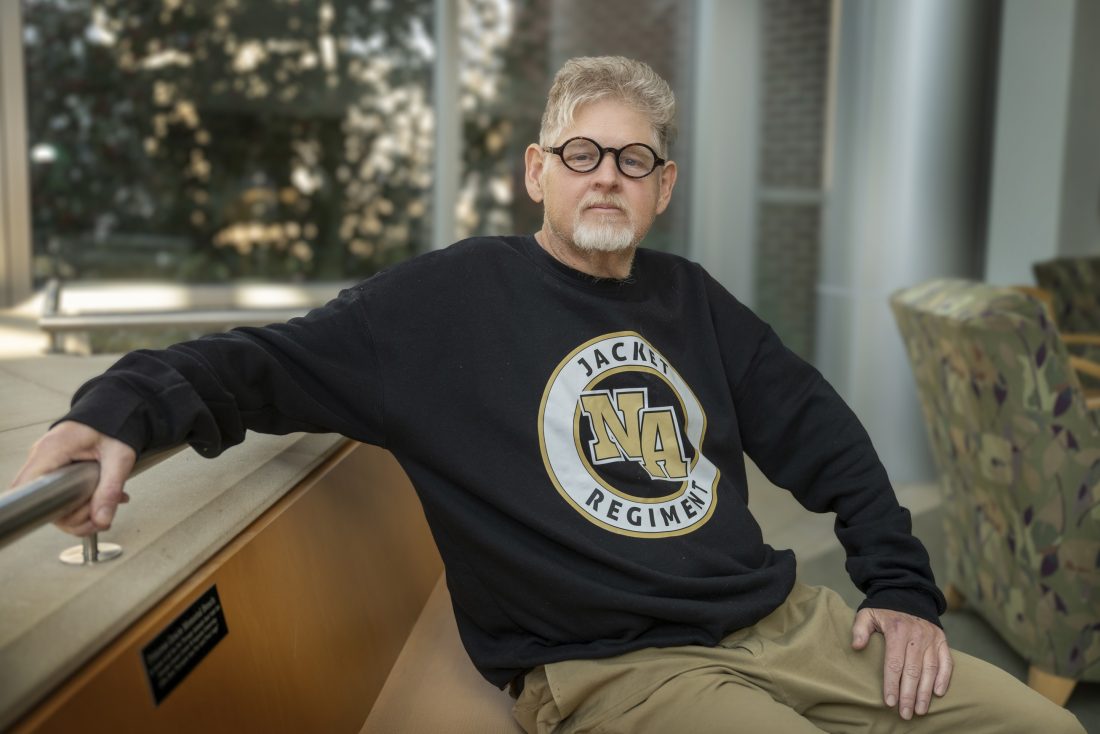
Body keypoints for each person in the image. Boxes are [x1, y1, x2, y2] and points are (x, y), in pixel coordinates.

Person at [13, 57, 1083, 734]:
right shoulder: (442, 303)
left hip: (783, 620)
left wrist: (896, 587)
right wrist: (120, 406)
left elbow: (823, 434)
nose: (607, 174)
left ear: (662, 186)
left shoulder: (690, 300)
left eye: (633, 157)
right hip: (613, 671)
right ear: (536, 169)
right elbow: (254, 362)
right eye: (582, 152)